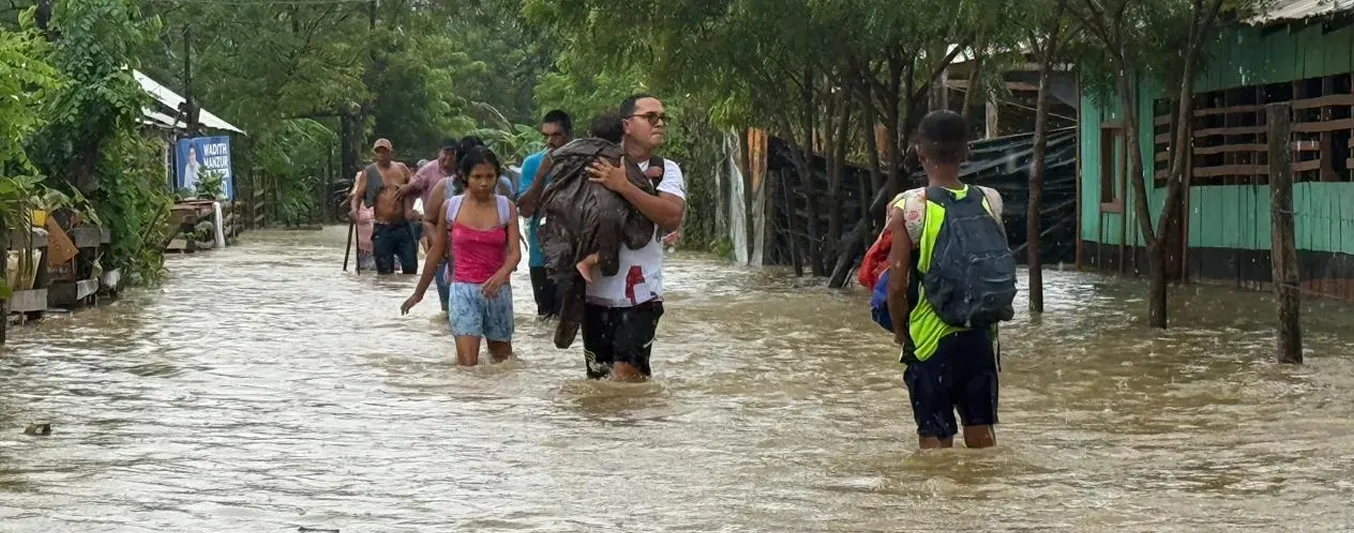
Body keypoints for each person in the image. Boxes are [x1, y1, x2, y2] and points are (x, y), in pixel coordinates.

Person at [885, 109, 1012, 450]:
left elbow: (896, 286)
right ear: (967, 152)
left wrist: (901, 333)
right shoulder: (990, 200)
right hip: (980, 339)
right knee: (981, 438)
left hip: (930, 342)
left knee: (935, 446)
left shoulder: (909, 207)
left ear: (919, 152)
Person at [576, 94, 686, 382]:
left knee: (627, 377)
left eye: (663, 118)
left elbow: (671, 216)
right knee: (598, 381)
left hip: (641, 297)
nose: (659, 123)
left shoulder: (666, 170)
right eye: (650, 117)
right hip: (593, 295)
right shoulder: (595, 165)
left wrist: (624, 186)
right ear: (626, 125)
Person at [402, 147, 522, 366]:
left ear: (497, 177)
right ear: (465, 176)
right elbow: (436, 252)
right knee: (467, 367)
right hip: (462, 292)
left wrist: (501, 275)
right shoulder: (451, 207)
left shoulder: (507, 208)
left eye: (490, 176)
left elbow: (515, 254)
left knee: (502, 363)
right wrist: (418, 294)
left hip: (498, 292)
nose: (484, 183)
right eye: (477, 177)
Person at [517, 109, 574, 319]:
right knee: (545, 319)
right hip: (540, 257)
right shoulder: (533, 163)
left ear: (569, 135)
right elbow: (525, 210)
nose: (550, 142)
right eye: (546, 136)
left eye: (556, 135)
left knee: (569, 319)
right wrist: (541, 175)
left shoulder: (582, 162)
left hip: (574, 256)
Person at [351, 138, 417, 275]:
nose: (382, 154)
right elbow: (358, 196)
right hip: (382, 228)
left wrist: (407, 188)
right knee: (384, 273)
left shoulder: (401, 168)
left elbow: (416, 185)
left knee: (411, 268)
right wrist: (354, 210)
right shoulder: (370, 172)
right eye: (378, 151)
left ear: (391, 152)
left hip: (403, 226)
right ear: (374, 154)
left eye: (385, 151)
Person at [411, 138, 460, 252]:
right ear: (439, 152)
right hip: (434, 225)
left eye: (452, 153)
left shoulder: (460, 170)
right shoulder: (428, 169)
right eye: (446, 153)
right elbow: (410, 188)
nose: (448, 157)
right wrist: (409, 210)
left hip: (456, 228)